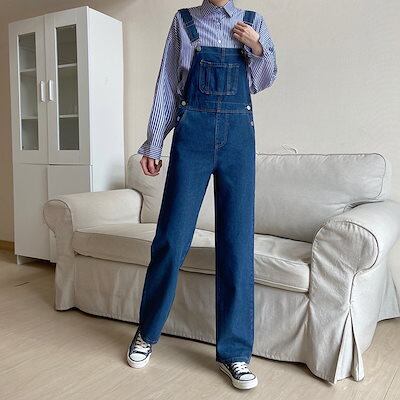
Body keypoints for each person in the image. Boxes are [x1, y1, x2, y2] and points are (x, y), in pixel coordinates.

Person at [127, 0, 277, 390]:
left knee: (237, 244)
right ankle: (147, 332)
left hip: (238, 141)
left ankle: (235, 354)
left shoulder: (253, 22)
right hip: (191, 135)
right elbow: (167, 84)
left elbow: (264, 80)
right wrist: (154, 143)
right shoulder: (184, 21)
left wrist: (256, 47)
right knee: (171, 239)